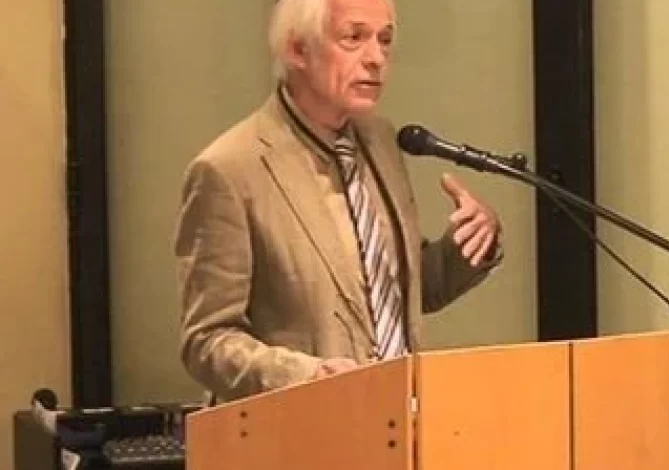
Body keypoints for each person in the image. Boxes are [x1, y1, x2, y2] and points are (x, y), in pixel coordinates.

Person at [173, 0, 503, 403]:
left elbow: (399, 294)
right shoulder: (229, 169)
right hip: (301, 424)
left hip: (398, 415)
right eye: (354, 37)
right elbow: (207, 341)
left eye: (385, 40)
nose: (376, 58)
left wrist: (471, 243)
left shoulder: (381, 141)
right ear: (297, 49)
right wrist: (307, 374)